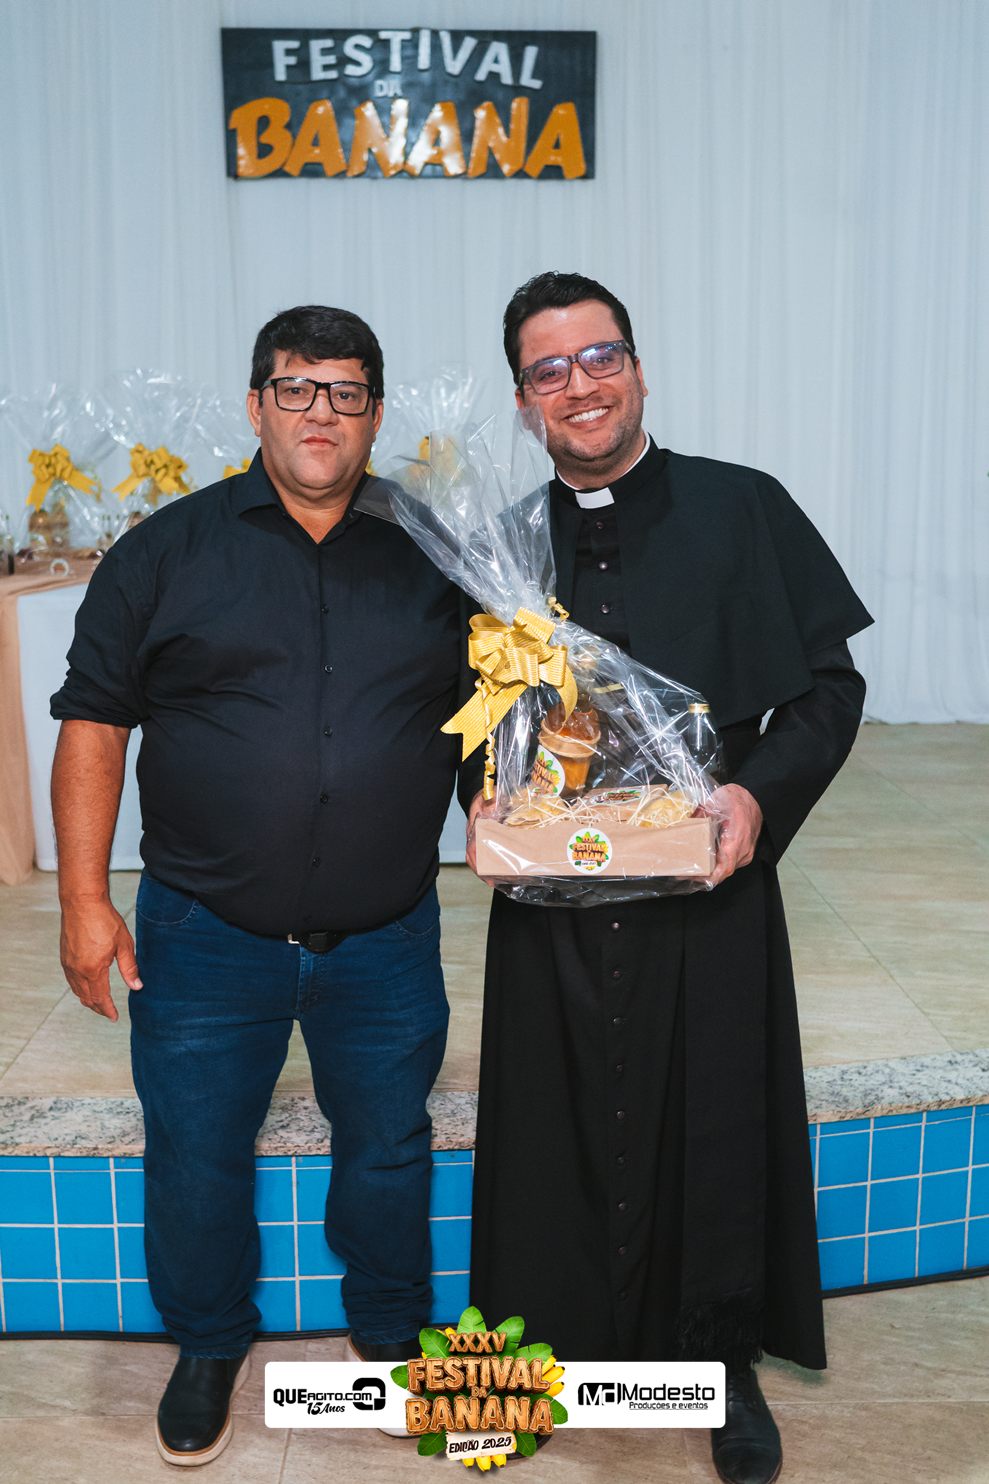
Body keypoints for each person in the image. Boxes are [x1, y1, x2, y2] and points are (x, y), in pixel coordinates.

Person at [466, 272, 873, 1484]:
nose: (579, 385)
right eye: (548, 369)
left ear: (637, 369)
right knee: (544, 1126)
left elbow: (827, 690)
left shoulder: (743, 507)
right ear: (524, 399)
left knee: (716, 1116)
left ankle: (718, 1360)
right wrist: (481, 800)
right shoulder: (500, 548)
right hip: (551, 900)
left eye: (599, 357)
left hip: (711, 884)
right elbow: (467, 720)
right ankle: (526, 1359)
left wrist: (755, 798)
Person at [51, 305, 473, 1466]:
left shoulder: (439, 554)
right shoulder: (165, 552)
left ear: (375, 413)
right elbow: (93, 722)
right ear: (255, 404)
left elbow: (488, 709)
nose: (319, 413)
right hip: (204, 932)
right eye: (296, 388)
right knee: (195, 1150)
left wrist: (513, 807)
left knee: (387, 1146)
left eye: (345, 392)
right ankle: (205, 1343)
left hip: (384, 935)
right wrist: (82, 899)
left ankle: (387, 1330)